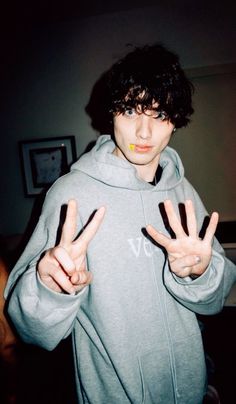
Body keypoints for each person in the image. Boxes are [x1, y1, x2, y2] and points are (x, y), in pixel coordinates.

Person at [4, 44, 236, 404]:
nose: (144, 132)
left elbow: (216, 300)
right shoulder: (70, 193)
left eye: (158, 114)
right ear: (111, 112)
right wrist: (49, 288)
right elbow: (30, 330)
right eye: (130, 110)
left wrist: (200, 274)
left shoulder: (182, 189)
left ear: (175, 119)